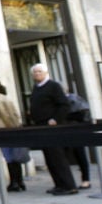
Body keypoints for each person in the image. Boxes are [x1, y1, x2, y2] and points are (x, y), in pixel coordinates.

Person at [28, 63, 79, 196]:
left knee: (57, 156)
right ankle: (58, 184)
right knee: (49, 157)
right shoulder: (36, 87)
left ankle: (69, 185)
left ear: (45, 73)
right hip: (41, 126)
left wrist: (55, 119)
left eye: (39, 71)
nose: (37, 74)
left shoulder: (53, 86)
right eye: (35, 72)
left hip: (52, 126)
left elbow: (63, 105)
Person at [0, 79, 29, 191]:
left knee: (9, 157)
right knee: (14, 156)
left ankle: (14, 182)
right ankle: (19, 182)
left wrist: (9, 128)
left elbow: (4, 114)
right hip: (11, 128)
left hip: (4, 129)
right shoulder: (3, 97)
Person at [64, 89, 93, 189]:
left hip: (75, 130)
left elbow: (82, 114)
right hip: (68, 130)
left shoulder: (72, 99)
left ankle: (86, 179)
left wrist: (65, 117)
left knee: (80, 154)